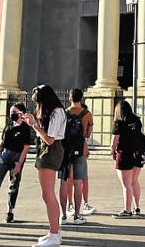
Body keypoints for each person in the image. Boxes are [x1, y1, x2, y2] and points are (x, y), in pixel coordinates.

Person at [26, 85, 68, 247]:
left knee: (48, 194)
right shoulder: (55, 112)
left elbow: (49, 139)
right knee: (47, 194)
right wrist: (34, 121)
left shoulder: (56, 112)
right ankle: (54, 231)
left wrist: (34, 125)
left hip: (50, 150)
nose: (38, 107)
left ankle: (55, 234)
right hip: (49, 149)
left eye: (39, 103)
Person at [58, 88, 93, 224]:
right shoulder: (87, 114)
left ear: (70, 98)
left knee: (64, 182)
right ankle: (77, 216)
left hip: (65, 151)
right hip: (80, 150)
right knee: (78, 183)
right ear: (82, 98)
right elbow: (88, 135)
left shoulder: (64, 113)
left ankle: (63, 215)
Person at [111, 98, 145, 218]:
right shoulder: (137, 120)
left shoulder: (118, 122)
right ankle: (136, 207)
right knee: (134, 181)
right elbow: (140, 134)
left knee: (126, 184)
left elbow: (114, 142)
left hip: (124, 154)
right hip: (137, 153)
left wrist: (112, 151)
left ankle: (127, 211)